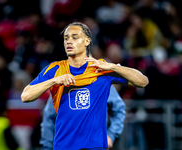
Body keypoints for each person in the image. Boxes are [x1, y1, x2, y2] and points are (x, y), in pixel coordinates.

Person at [21, 22, 149, 150]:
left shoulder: (101, 68)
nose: (69, 42)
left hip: (95, 146)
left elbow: (142, 82)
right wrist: (54, 81)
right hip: (63, 146)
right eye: (66, 38)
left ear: (87, 41)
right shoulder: (55, 69)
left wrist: (113, 66)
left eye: (75, 37)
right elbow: (26, 96)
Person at [40, 85, 125, 150]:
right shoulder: (61, 84)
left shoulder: (101, 80)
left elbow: (119, 109)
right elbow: (49, 117)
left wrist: (111, 135)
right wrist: (47, 146)